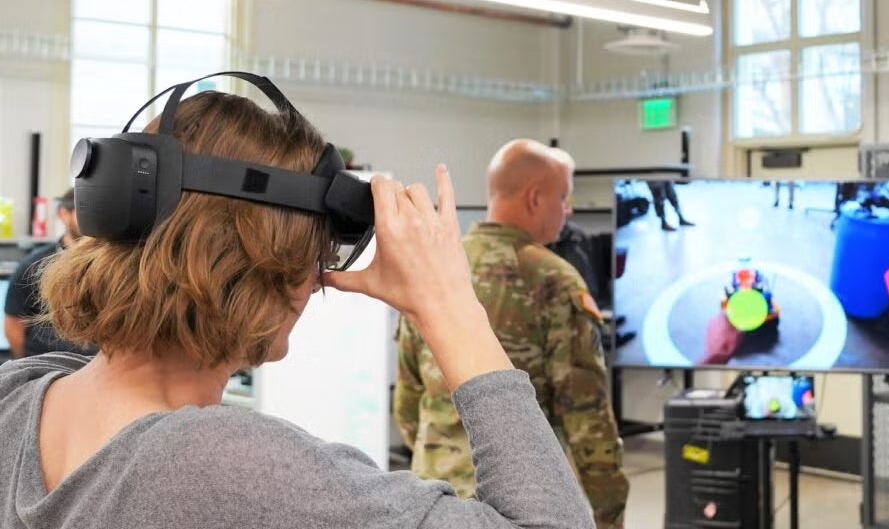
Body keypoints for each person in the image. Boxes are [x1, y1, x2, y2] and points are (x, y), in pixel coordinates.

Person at [0, 89, 592, 529]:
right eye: (316, 253)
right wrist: (451, 306)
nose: (318, 282)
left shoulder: (18, 396)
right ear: (268, 261)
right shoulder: (217, 464)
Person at [395, 139, 629, 529]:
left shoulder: (437, 266)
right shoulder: (554, 280)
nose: (567, 211)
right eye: (564, 198)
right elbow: (586, 419)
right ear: (536, 198)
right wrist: (610, 511)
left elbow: (408, 399)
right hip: (518, 504)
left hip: (431, 498)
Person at [3, 188, 92, 358]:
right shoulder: (34, 266)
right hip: (46, 366)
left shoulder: (110, 266)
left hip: (99, 368)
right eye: (84, 211)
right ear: (63, 214)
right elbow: (13, 327)